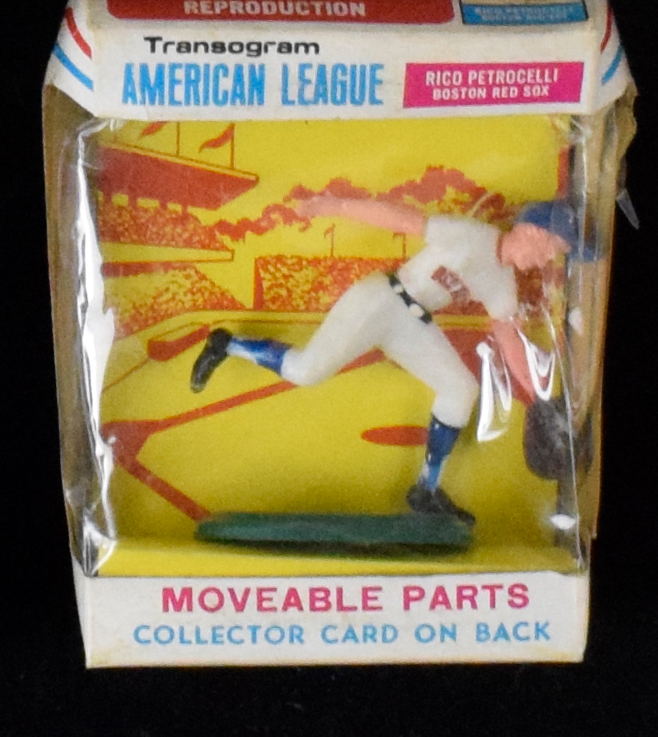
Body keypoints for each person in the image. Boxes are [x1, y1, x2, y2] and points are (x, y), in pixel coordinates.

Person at [188, 195, 579, 522]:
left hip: (411, 323)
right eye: (551, 247)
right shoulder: (472, 235)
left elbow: (509, 339)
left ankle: (426, 490)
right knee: (305, 371)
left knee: (461, 389)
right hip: (380, 301)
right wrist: (333, 205)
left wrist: (539, 398)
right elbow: (402, 219)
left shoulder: (503, 283)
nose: (548, 259)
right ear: (531, 231)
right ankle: (227, 344)